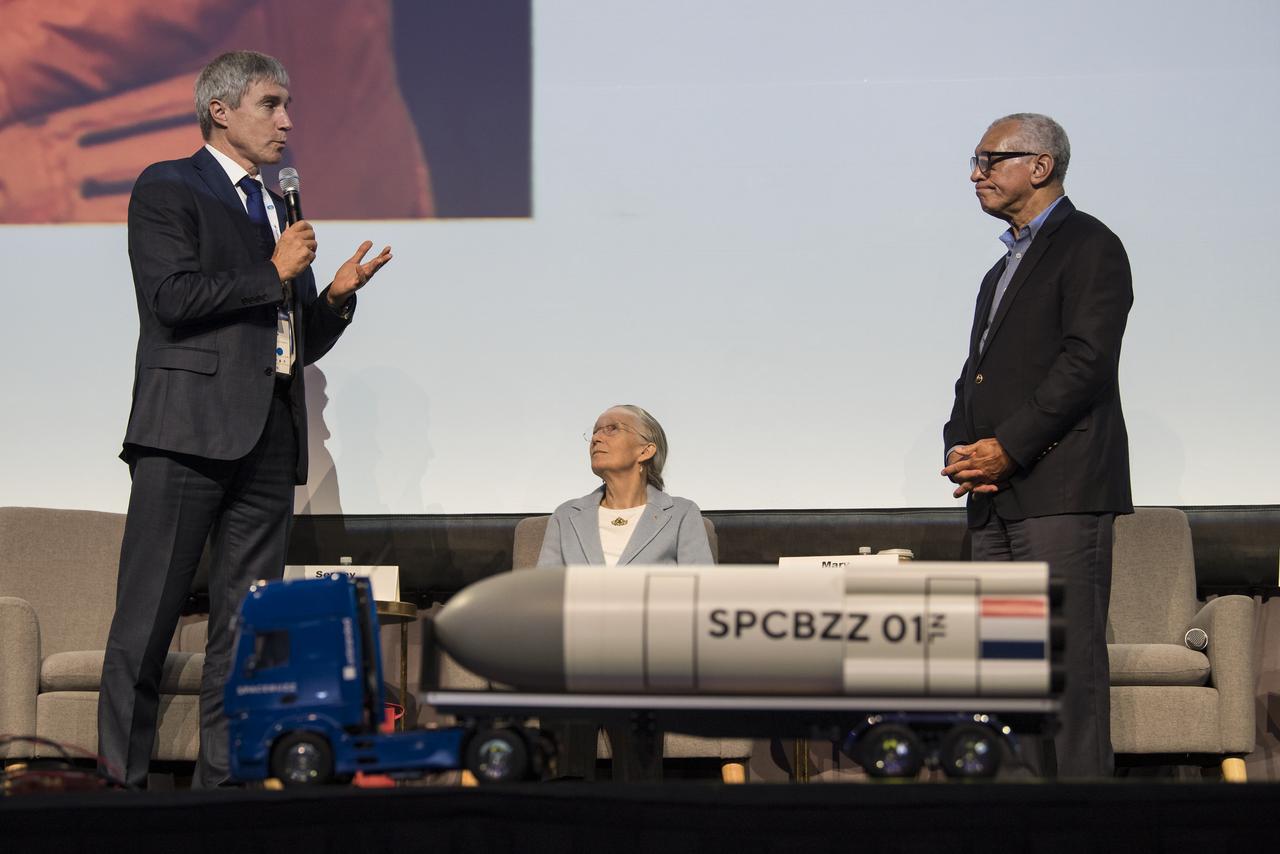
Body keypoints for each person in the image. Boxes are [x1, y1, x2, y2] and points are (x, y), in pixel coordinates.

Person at [98, 50, 393, 789]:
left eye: (288, 105)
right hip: (186, 435)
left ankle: (222, 788)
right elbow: (170, 299)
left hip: (268, 437)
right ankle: (119, 787)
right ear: (220, 110)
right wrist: (275, 271)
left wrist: (335, 298)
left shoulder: (277, 206)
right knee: (147, 622)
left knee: (242, 629)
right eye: (271, 104)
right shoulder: (169, 186)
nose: (288, 122)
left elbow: (294, 340)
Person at [941, 113, 1133, 778]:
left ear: (1041, 165)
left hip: (1061, 493)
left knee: (1068, 673)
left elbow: (1085, 362)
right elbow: (977, 375)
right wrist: (962, 448)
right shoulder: (999, 271)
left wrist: (1008, 447)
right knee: (1008, 679)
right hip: (994, 499)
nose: (976, 173)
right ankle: (1020, 823)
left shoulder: (1089, 245)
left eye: (991, 159)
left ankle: (1086, 829)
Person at [536, 404, 714, 779]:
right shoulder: (567, 515)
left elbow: (702, 592)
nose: (597, 437)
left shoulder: (680, 513)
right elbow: (545, 593)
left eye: (613, 429)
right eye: (595, 432)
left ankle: (638, 818)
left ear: (646, 451)